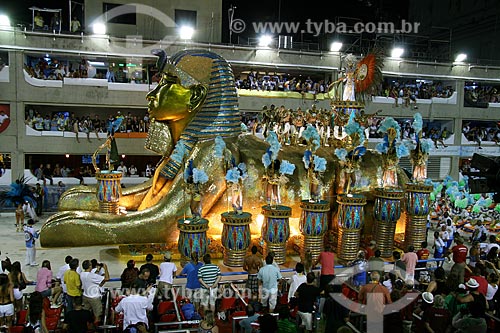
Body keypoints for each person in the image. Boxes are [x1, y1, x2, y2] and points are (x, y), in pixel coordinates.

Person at [80, 259, 109, 324]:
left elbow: (92, 277)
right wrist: (105, 268)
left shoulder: (82, 274)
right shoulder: (92, 276)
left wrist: (97, 270)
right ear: (90, 266)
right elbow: (107, 278)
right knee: (97, 315)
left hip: (85, 296)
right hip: (94, 298)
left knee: (86, 314)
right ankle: (95, 328)